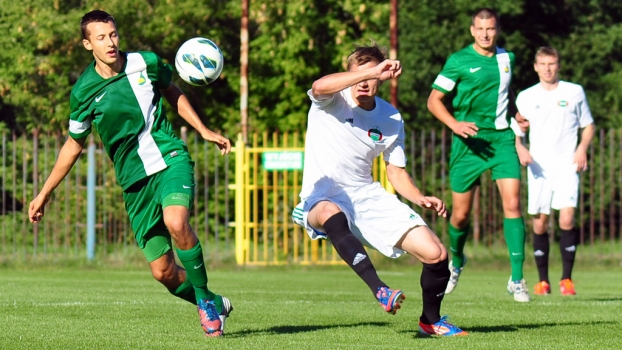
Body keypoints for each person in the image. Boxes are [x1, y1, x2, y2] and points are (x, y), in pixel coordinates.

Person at [28, 10, 233, 337]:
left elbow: (173, 92)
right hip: (134, 182)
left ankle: (206, 305)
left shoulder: (146, 62)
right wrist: (44, 192)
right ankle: (210, 300)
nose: (110, 42)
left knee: (177, 221)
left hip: (169, 158)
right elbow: (72, 145)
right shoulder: (83, 91)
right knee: (162, 272)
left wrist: (203, 129)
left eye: (113, 34)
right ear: (87, 44)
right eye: (100, 37)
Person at [291, 42, 467, 336]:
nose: (364, 82)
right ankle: (380, 289)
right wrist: (368, 71)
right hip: (322, 195)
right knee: (331, 212)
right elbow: (319, 86)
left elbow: (396, 172)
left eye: (371, 76)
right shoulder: (333, 100)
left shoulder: (391, 118)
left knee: (436, 253)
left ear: (382, 78)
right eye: (358, 76)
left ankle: (431, 321)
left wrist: (419, 196)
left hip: (366, 195)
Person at [427, 8, 531, 302]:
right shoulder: (458, 61)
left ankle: (517, 278)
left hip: (501, 141)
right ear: (472, 31)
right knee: (460, 216)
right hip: (468, 143)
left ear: (497, 30)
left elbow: (503, 94)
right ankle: (457, 261)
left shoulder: (506, 59)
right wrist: (455, 124)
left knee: (512, 203)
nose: (486, 34)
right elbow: (434, 101)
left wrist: (516, 115)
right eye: (480, 29)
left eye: (491, 29)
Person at [513, 46, 594, 296]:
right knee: (540, 223)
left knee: (567, 219)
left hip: (567, 165)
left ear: (558, 65)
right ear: (536, 67)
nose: (548, 68)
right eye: (543, 64)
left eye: (552, 63)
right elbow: (518, 131)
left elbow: (588, 126)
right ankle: (542, 281)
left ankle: (566, 280)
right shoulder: (526, 96)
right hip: (538, 167)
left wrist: (582, 148)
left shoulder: (574, 91)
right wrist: (520, 148)